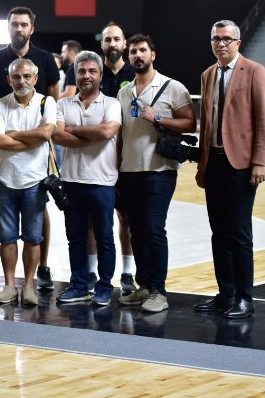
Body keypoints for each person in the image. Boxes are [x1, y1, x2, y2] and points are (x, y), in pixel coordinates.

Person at [194, 20, 265, 319]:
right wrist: (202, 164)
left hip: (241, 164)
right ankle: (225, 294)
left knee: (239, 232)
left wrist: (260, 161)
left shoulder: (254, 71)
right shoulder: (208, 75)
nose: (221, 43)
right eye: (216, 39)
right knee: (218, 233)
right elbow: (206, 123)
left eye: (227, 39)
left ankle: (244, 298)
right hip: (214, 163)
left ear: (238, 42)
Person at [0, 6, 60, 292]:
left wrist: (18, 135)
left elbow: (52, 108)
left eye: (24, 24)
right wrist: (1, 137)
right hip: (1, 153)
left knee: (39, 212)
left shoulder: (45, 59)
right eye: (14, 24)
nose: (19, 29)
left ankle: (42, 269)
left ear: (31, 28)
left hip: (35, 160)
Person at [116, 34, 196, 312]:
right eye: (133, 52)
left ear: (153, 54)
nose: (137, 55)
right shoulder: (124, 92)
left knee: (153, 229)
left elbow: (190, 123)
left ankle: (159, 291)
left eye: (142, 50)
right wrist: (117, 168)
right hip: (129, 171)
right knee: (137, 232)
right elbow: (121, 135)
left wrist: (159, 118)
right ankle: (144, 286)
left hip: (159, 171)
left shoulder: (172, 87)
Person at [53, 51, 121, 306]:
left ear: (101, 75)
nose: (86, 76)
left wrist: (74, 130)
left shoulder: (112, 104)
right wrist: (90, 135)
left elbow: (107, 131)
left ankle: (104, 286)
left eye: (92, 71)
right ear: (76, 75)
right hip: (72, 181)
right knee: (76, 238)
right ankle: (79, 285)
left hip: (103, 181)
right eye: (81, 71)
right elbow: (58, 136)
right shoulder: (63, 104)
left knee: (104, 237)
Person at [0, 58, 55, 306]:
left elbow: (46, 134)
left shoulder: (47, 102)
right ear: (9, 80)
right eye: (16, 77)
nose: (22, 81)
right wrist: (31, 140)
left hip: (34, 181)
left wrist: (13, 135)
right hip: (4, 180)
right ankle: (9, 286)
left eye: (27, 76)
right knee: (7, 237)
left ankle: (28, 286)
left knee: (33, 237)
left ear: (35, 78)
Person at [85, 22, 137, 296]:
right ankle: (91, 273)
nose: (112, 44)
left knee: (126, 217)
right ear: (102, 44)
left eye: (117, 39)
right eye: (108, 40)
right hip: (97, 157)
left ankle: (127, 274)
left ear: (124, 43)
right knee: (93, 220)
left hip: (127, 159)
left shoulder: (135, 72)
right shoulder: (93, 72)